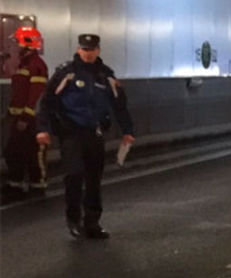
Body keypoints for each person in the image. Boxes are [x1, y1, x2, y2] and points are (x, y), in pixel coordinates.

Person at [36, 33, 135, 239]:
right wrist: (42, 128)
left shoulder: (105, 75)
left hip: (95, 133)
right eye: (84, 50)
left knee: (93, 179)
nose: (88, 54)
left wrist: (128, 131)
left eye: (92, 50)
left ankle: (92, 222)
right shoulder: (66, 73)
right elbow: (46, 102)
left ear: (98, 50)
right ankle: (74, 219)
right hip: (71, 132)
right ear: (78, 50)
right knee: (74, 175)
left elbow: (120, 106)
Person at [4, 26, 49, 193]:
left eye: (17, 42)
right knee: (13, 152)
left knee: (33, 154)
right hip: (20, 119)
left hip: (31, 121)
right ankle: (16, 184)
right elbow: (19, 94)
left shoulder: (36, 65)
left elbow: (35, 96)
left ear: (27, 44)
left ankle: (37, 185)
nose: (14, 45)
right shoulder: (24, 64)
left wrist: (25, 118)